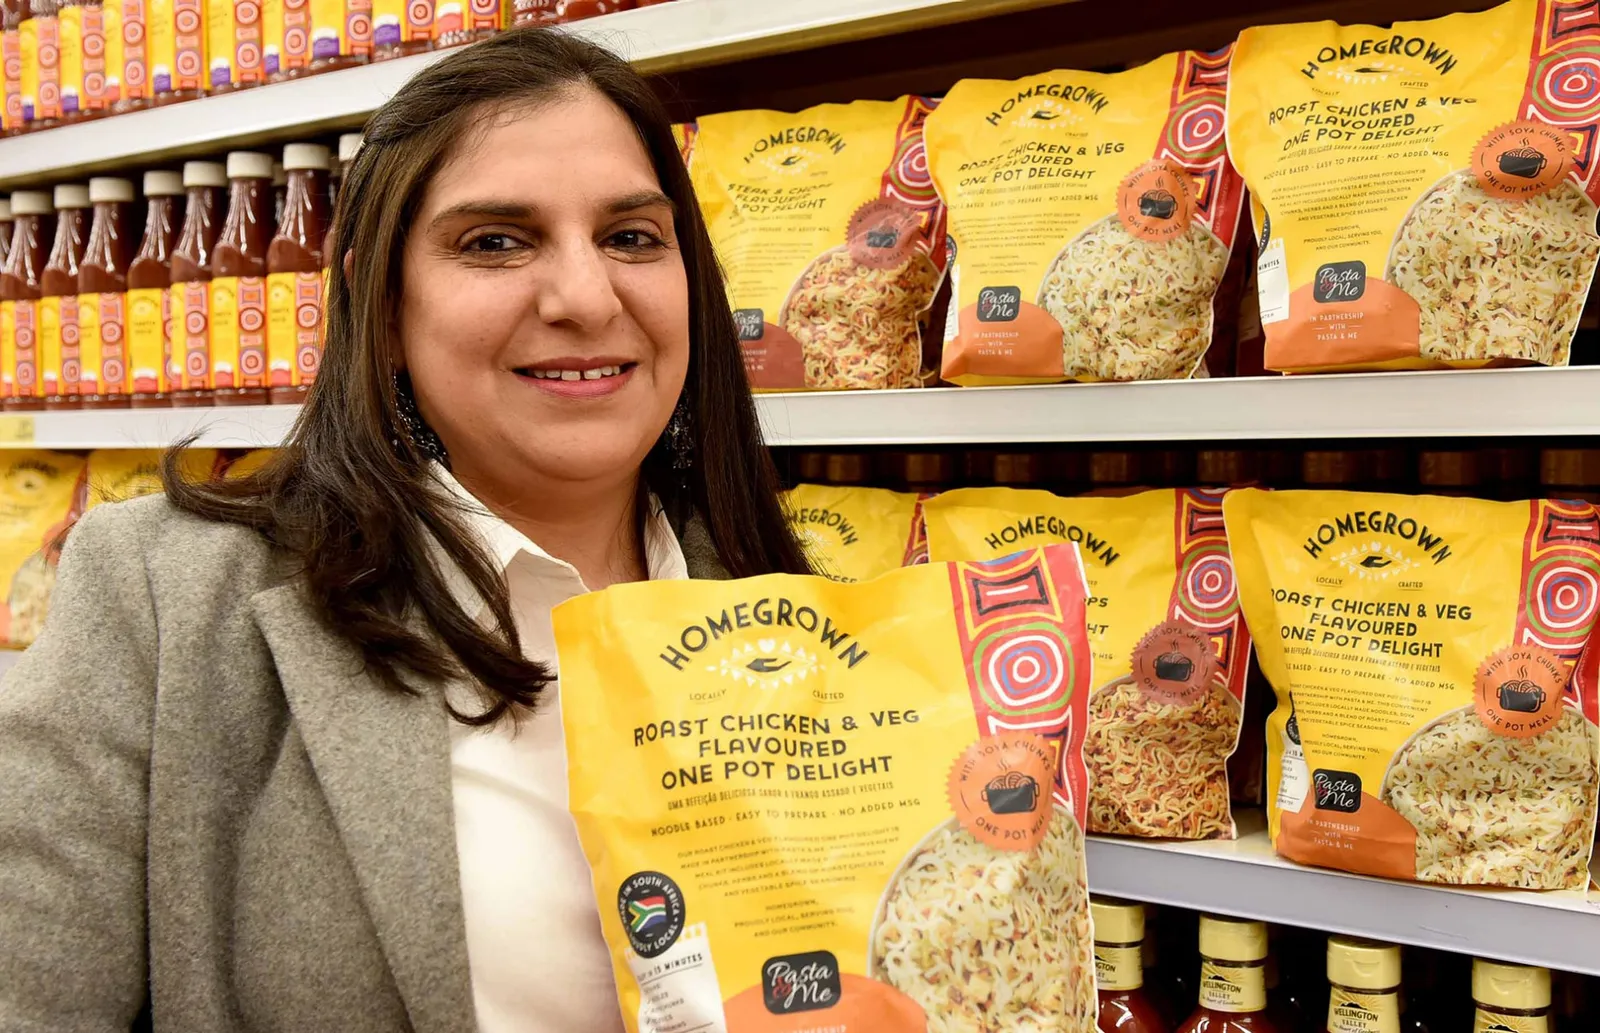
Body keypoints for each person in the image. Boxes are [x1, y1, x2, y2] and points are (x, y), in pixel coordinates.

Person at [0, 28, 810, 1033]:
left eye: (632, 237)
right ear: (380, 303)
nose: (585, 297)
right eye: (494, 242)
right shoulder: (162, 595)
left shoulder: (799, 622)